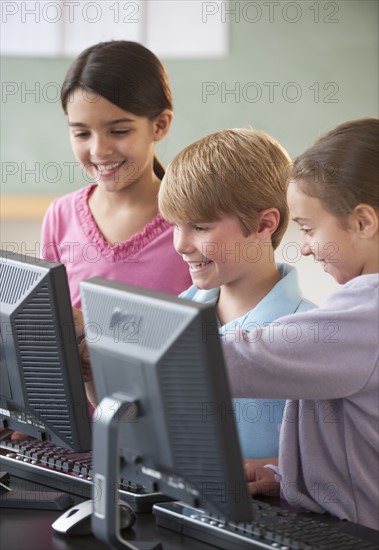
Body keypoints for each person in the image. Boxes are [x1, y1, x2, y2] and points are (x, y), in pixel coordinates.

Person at [219, 118, 378, 530]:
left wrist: (115, 339)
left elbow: (244, 360)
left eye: (308, 228)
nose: (305, 248)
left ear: (363, 222)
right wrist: (284, 472)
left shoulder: (367, 310)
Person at [39, 41, 191, 408]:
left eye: (119, 131)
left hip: (161, 445)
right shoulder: (60, 217)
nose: (99, 150)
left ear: (160, 124)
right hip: (74, 444)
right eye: (81, 133)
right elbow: (44, 343)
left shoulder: (194, 226)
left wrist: (98, 331)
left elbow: (217, 346)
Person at [158, 128, 314, 460]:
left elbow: (328, 459)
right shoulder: (174, 314)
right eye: (175, 225)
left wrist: (274, 470)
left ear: (264, 225)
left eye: (199, 227)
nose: (180, 245)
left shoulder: (309, 334)